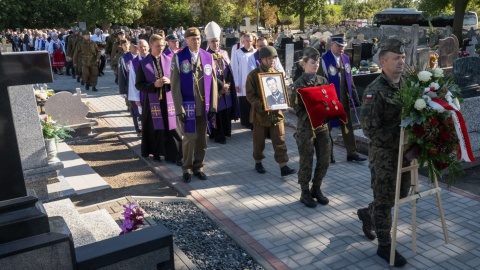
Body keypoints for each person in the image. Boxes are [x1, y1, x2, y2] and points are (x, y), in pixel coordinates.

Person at [357, 38, 409, 267]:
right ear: (383, 61)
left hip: (406, 154)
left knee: (400, 195)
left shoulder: (406, 85)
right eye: (396, 58)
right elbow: (370, 129)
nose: (401, 62)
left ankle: (369, 214)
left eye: (403, 57)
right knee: (385, 199)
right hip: (384, 157)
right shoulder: (374, 91)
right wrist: (398, 140)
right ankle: (385, 247)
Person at [170, 27, 218, 183]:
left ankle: (199, 167)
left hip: (204, 106)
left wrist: (213, 107)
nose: (196, 41)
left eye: (198, 38)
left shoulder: (208, 57)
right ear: (186, 40)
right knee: (189, 139)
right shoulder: (179, 58)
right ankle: (186, 168)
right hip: (188, 106)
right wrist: (179, 109)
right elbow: (175, 86)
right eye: (192, 39)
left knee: (202, 140)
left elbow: (214, 84)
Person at [245, 46, 295, 177]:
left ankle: (283, 166)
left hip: (276, 114)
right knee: (259, 142)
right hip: (260, 115)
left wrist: (284, 103)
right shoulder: (253, 75)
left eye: (274, 58)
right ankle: (258, 161)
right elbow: (250, 95)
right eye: (269, 58)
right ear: (262, 59)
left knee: (280, 140)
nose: (272, 60)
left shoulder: (277, 73)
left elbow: (282, 92)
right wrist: (263, 105)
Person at [290, 48, 331, 208]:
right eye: (312, 62)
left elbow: (329, 100)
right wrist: (312, 110)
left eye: (317, 62)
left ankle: (316, 188)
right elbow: (297, 110)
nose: (316, 65)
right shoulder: (298, 85)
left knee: (324, 159)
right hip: (306, 127)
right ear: (304, 63)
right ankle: (304, 192)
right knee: (306, 160)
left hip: (322, 126)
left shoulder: (323, 80)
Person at [135, 35, 183, 165]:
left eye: (162, 46)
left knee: (172, 127)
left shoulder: (170, 60)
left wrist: (170, 82)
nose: (160, 48)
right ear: (150, 45)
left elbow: (177, 81)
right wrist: (153, 85)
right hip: (152, 102)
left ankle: (175, 155)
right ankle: (156, 152)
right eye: (157, 46)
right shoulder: (143, 63)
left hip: (168, 101)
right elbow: (138, 84)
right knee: (155, 128)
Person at [320, 34, 366, 163]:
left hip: (344, 99)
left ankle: (352, 152)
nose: (341, 49)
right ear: (332, 45)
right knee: (327, 127)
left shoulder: (345, 58)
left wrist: (355, 97)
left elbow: (349, 80)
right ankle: (328, 153)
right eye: (339, 46)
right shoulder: (324, 60)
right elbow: (321, 82)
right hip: (330, 99)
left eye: (343, 46)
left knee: (347, 126)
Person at [205, 21, 240, 144]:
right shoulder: (205, 56)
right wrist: (221, 86)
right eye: (213, 41)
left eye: (217, 41)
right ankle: (218, 135)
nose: (216, 43)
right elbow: (208, 74)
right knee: (217, 112)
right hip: (214, 89)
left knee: (226, 110)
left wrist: (228, 85)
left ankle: (226, 131)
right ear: (209, 42)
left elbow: (229, 70)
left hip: (227, 89)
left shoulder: (224, 53)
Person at [231, 33, 256, 129]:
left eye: (250, 41)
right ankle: (245, 121)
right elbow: (234, 68)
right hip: (242, 81)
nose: (249, 43)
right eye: (247, 41)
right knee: (244, 101)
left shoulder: (256, 52)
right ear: (243, 42)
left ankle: (253, 120)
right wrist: (236, 83)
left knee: (252, 101)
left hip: (253, 81)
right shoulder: (238, 53)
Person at [118, 38, 141, 135]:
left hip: (143, 88)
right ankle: (139, 129)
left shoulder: (143, 56)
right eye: (133, 46)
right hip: (131, 88)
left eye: (137, 47)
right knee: (135, 110)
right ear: (130, 47)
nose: (136, 48)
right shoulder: (124, 58)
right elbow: (122, 75)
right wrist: (122, 90)